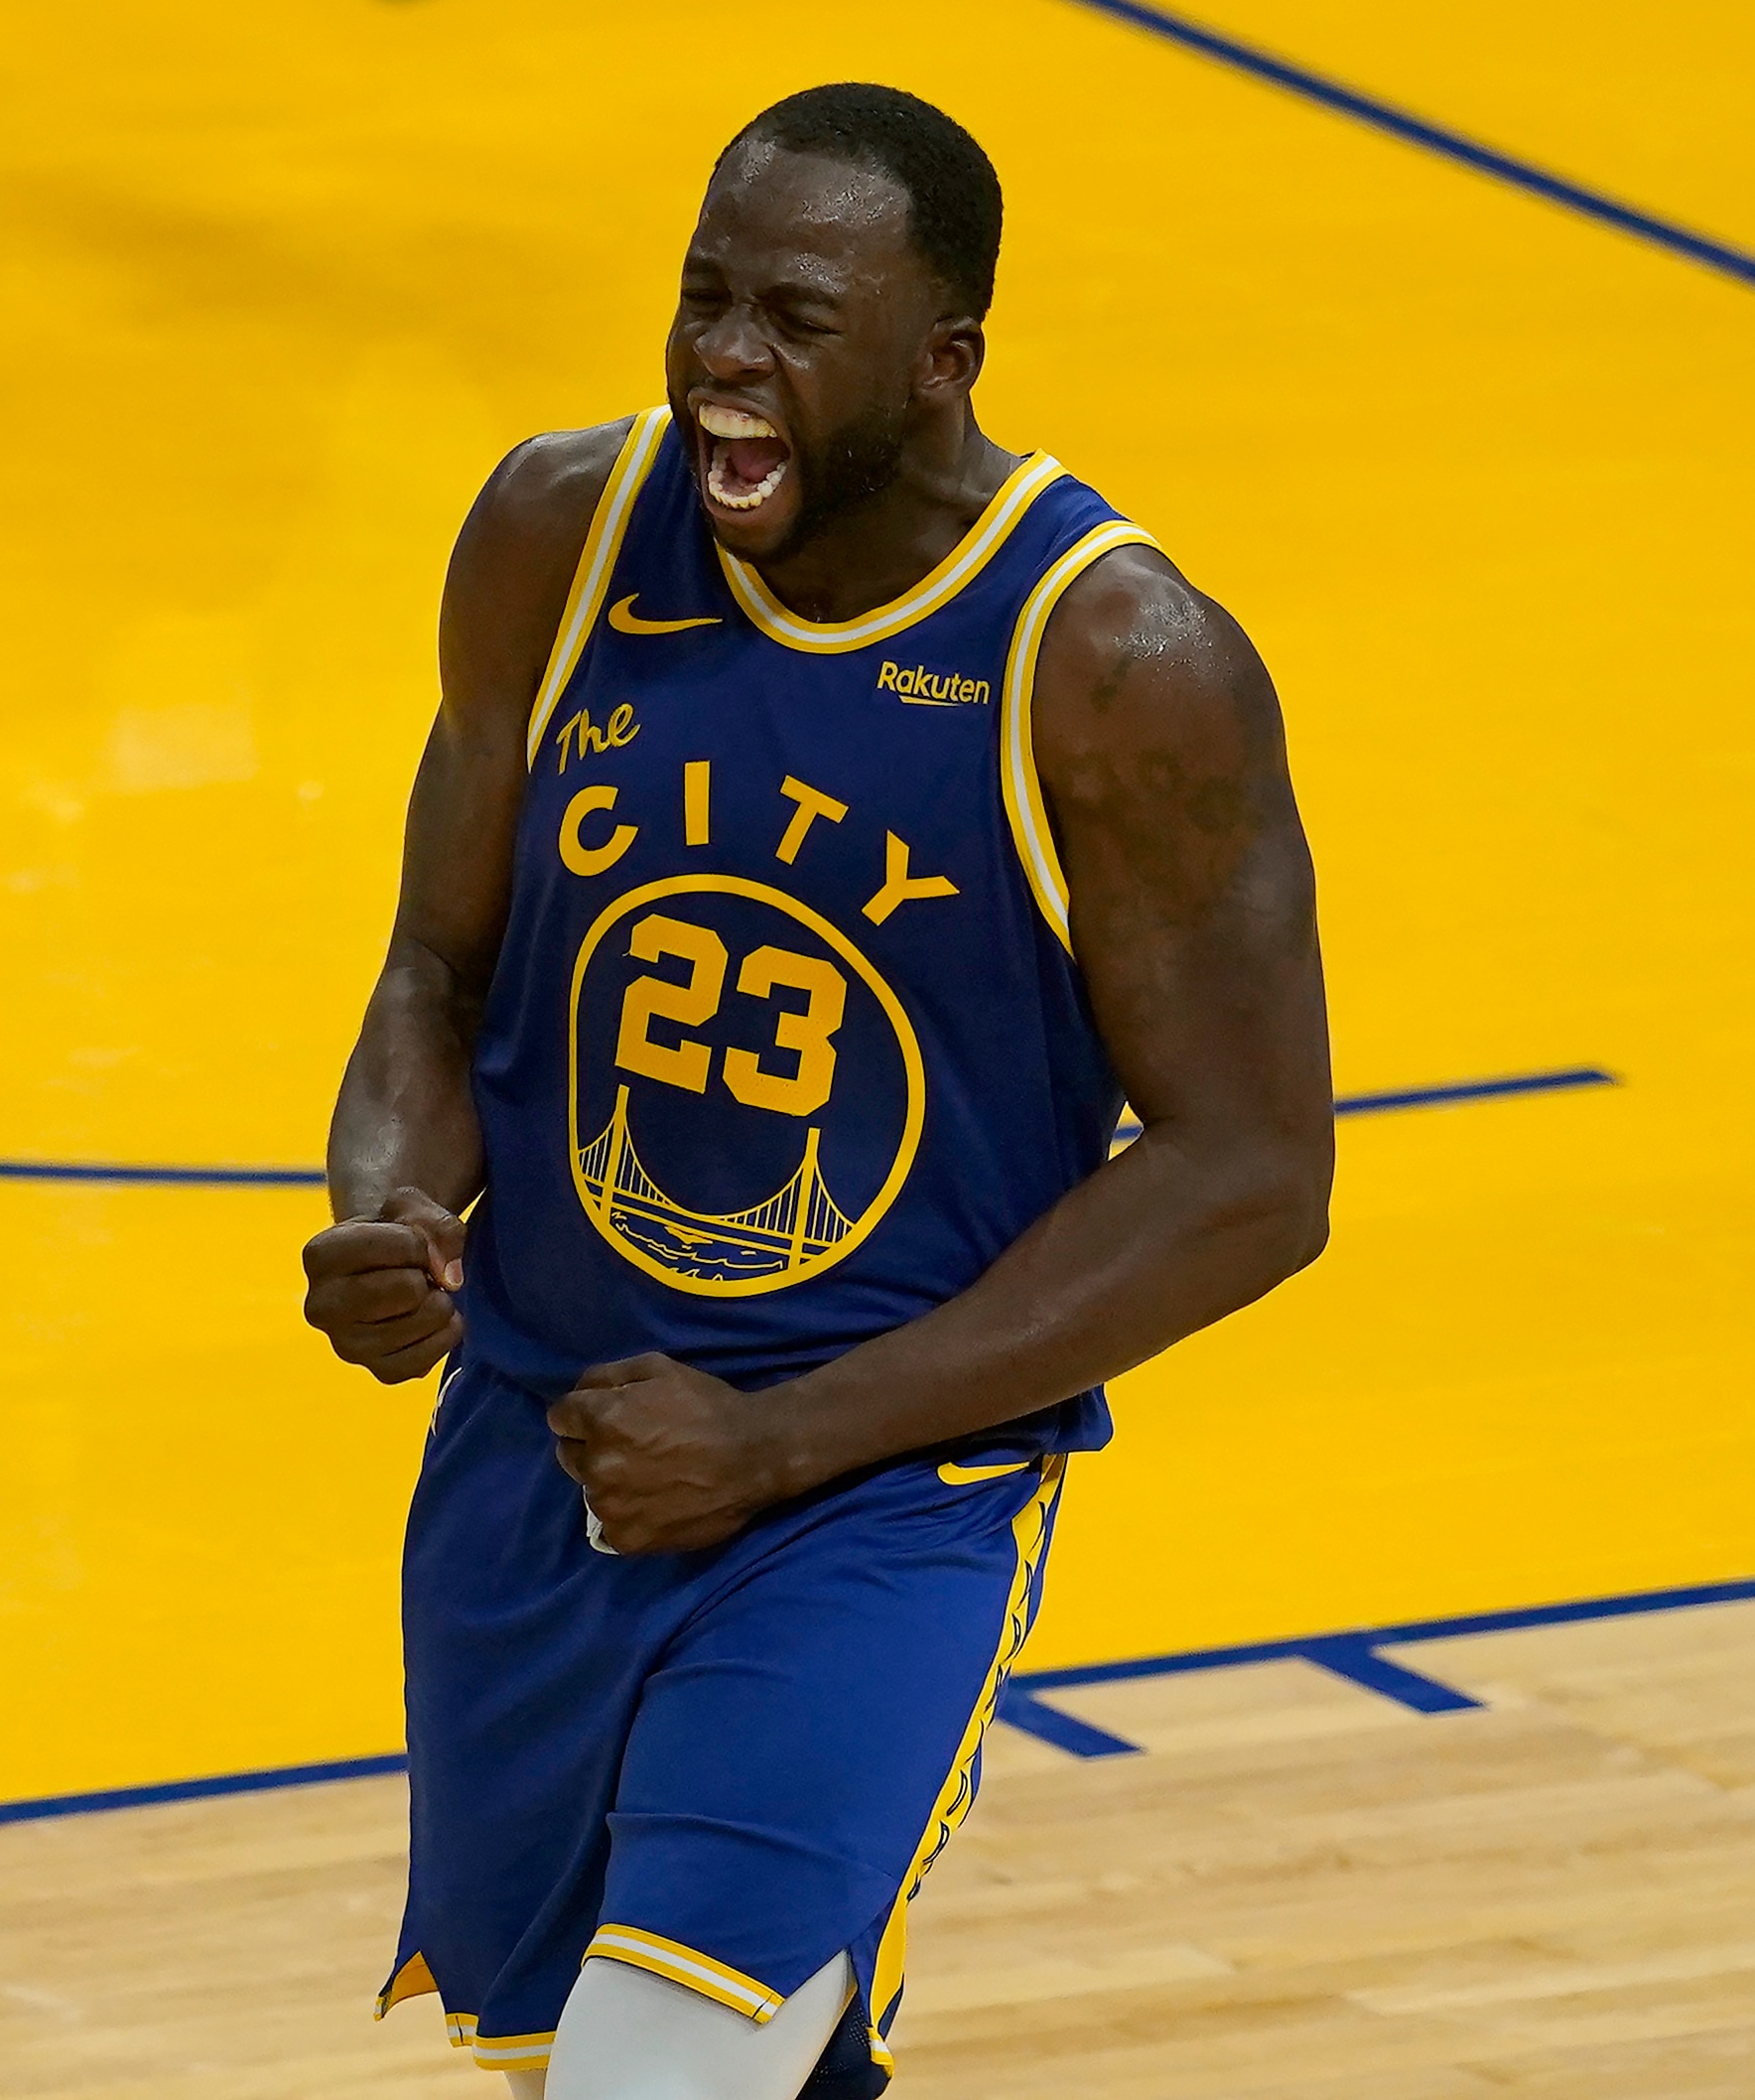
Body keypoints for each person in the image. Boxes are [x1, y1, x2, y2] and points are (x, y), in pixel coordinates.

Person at [302, 80, 1331, 2100]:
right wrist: (393, 1203)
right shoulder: (558, 533)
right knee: (605, 2067)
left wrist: (779, 1445)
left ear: (943, 358)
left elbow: (1252, 1170)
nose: (719, 359)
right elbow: (438, 960)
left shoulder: (1112, 659)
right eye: (700, 297)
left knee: (655, 2078)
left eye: (790, 316)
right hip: (545, 1442)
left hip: (872, 1490)